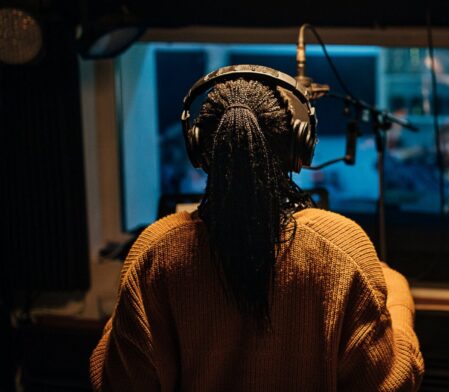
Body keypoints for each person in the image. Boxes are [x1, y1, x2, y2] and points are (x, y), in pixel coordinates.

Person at [89, 74, 424, 391]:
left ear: (198, 148)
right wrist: (397, 294)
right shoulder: (341, 245)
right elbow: (391, 382)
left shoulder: (156, 249)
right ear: (300, 147)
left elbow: (117, 381)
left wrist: (124, 313)